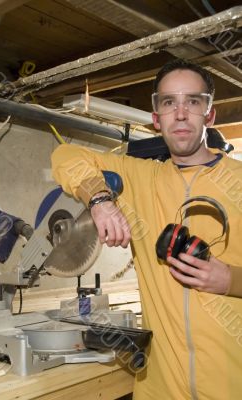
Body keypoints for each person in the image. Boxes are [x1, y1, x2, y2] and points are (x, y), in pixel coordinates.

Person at [51, 59, 242, 400]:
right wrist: (100, 198)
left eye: (193, 102)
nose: (181, 114)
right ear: (156, 119)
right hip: (160, 389)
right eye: (169, 102)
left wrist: (231, 280)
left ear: (209, 115)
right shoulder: (141, 178)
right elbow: (65, 155)